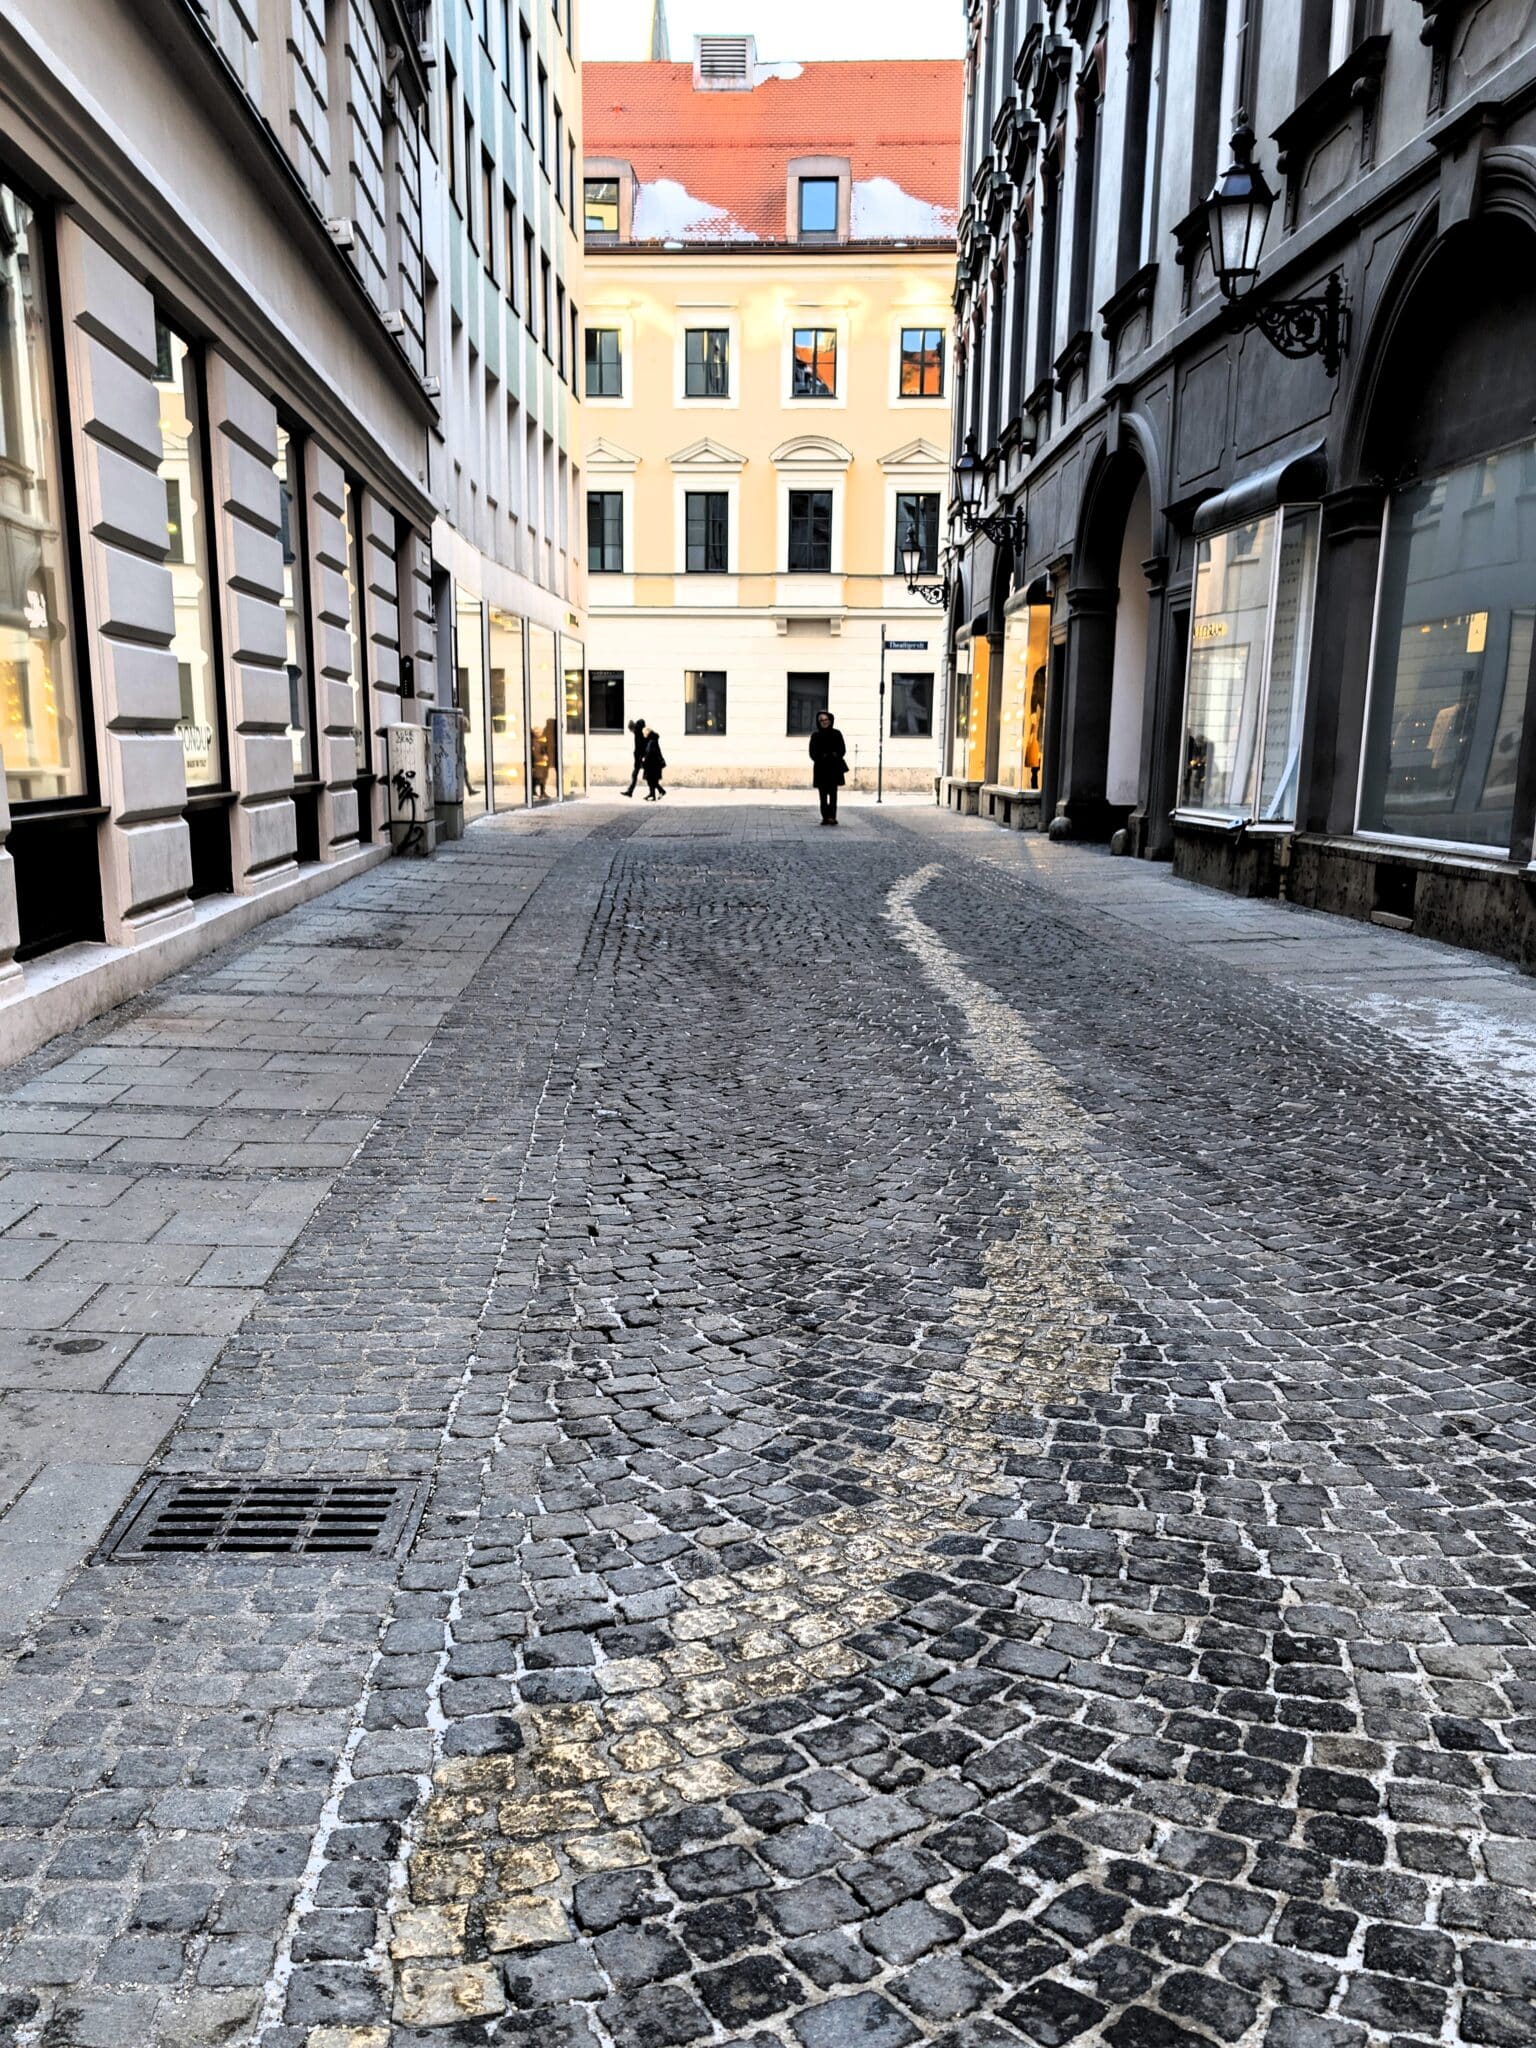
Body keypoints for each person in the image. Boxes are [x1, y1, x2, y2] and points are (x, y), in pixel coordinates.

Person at [808, 708, 847, 826]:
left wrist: (835, 755)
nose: (824, 722)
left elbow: (842, 750)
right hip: (821, 769)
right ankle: (825, 817)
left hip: (834, 769)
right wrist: (822, 757)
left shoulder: (837, 733)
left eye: (826, 719)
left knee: (833, 794)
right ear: (818, 722)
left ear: (830, 720)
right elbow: (812, 753)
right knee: (823, 795)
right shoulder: (815, 735)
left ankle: (832, 817)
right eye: (821, 720)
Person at [622, 716, 647, 798]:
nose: (631, 731)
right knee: (636, 775)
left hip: (640, 758)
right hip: (640, 757)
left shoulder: (638, 734)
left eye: (630, 730)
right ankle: (630, 791)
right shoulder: (639, 733)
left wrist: (639, 758)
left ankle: (630, 792)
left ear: (633, 728)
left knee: (637, 775)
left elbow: (640, 747)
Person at [641, 724, 667, 801]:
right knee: (651, 781)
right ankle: (652, 794)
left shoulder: (651, 742)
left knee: (652, 780)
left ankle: (661, 791)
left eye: (643, 733)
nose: (643, 735)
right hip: (654, 764)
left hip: (652, 765)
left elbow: (649, 753)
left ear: (646, 733)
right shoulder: (652, 740)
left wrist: (644, 760)